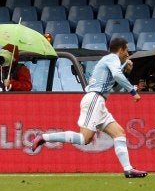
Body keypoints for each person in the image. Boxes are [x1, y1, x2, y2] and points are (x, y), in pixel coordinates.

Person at [31, 37, 147, 178]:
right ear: (121, 49)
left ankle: (128, 169)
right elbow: (116, 75)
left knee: (119, 133)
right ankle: (43, 137)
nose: (127, 54)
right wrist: (133, 92)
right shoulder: (112, 58)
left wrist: (125, 72)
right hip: (94, 100)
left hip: (99, 102)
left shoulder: (111, 62)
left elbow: (114, 88)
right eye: (126, 50)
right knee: (84, 139)